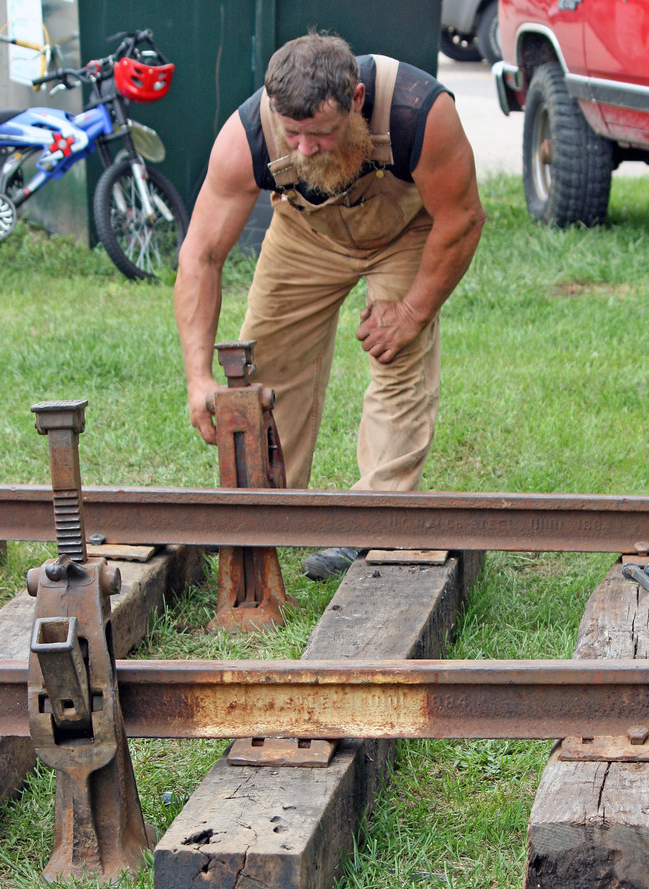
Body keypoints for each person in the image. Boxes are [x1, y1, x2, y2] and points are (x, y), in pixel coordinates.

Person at [175, 31, 484, 580]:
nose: (303, 149)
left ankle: (375, 527)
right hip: (304, 236)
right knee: (263, 368)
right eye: (292, 134)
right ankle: (268, 517)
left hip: (405, 233)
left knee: (397, 361)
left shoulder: (419, 110)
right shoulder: (246, 136)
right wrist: (198, 377)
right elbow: (200, 256)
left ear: (357, 100)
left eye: (321, 134)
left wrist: (410, 314)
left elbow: (460, 219)